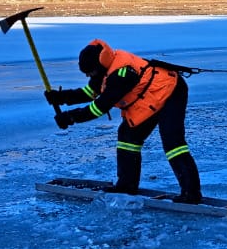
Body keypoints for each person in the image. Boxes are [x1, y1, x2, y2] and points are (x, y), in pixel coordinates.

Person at [47, 39, 205, 204]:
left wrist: (70, 117)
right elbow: (90, 92)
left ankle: (191, 193)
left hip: (170, 91)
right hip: (149, 97)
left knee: (174, 144)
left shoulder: (121, 74)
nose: (89, 76)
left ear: (99, 65)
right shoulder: (103, 69)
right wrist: (61, 97)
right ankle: (127, 185)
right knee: (127, 137)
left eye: (90, 72)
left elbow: (99, 107)